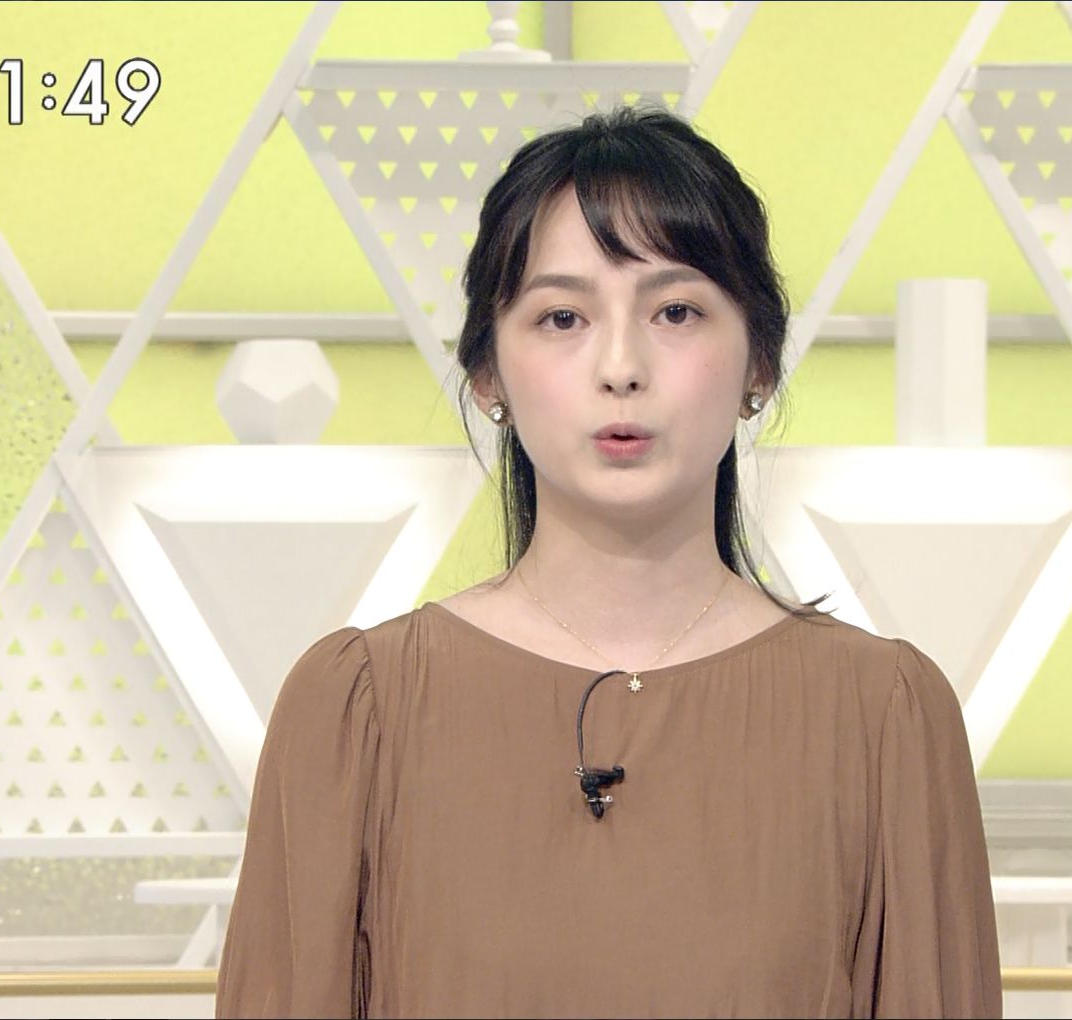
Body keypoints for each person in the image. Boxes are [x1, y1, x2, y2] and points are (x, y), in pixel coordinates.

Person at [215, 105, 1001, 1019]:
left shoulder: (886, 718)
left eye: (676, 311)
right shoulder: (357, 712)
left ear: (758, 365)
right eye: (562, 317)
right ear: (488, 375)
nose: (621, 366)